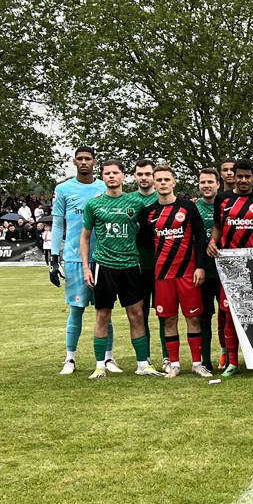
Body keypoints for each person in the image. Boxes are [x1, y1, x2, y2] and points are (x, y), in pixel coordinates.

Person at [80, 160, 162, 379]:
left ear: (123, 176)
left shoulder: (135, 203)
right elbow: (85, 236)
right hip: (103, 266)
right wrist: (87, 267)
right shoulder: (94, 204)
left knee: (136, 315)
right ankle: (100, 365)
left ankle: (143, 363)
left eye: (115, 173)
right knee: (102, 315)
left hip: (130, 266)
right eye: (107, 173)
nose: (111, 176)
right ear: (103, 177)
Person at [136, 165, 212, 378]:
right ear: (153, 182)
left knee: (193, 318)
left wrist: (200, 266)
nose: (162, 183)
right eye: (158, 179)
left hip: (188, 273)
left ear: (174, 181)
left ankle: (197, 363)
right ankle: (175, 364)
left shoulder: (188, 207)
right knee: (168, 320)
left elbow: (200, 238)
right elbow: (143, 242)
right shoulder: (149, 212)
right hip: (163, 276)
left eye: (166, 179)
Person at [207, 158, 253, 377]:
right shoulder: (223, 198)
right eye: (240, 176)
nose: (244, 180)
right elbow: (218, 225)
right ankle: (233, 363)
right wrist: (213, 241)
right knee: (229, 314)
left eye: (248, 176)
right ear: (233, 176)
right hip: (229, 265)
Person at [51, 147, 113, 375]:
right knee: (76, 309)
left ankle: (108, 358)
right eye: (80, 159)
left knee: (104, 309)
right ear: (74, 161)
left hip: (104, 257)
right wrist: (54, 258)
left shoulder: (104, 187)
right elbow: (58, 225)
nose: (84, 162)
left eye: (88, 159)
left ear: (94, 162)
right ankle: (70, 358)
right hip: (75, 258)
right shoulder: (63, 189)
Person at [126, 159, 162, 368]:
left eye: (148, 174)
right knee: (139, 313)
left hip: (161, 265)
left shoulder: (165, 199)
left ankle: (168, 359)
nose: (144, 178)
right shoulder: (128, 199)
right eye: (140, 174)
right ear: (134, 176)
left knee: (164, 313)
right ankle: (145, 357)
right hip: (136, 265)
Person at [194, 168, 223, 370]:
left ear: (218, 184)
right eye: (203, 182)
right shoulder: (193, 208)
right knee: (204, 316)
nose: (206, 185)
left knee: (226, 315)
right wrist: (199, 266)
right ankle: (206, 360)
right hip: (203, 270)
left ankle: (228, 356)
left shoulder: (225, 205)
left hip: (225, 269)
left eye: (210, 182)